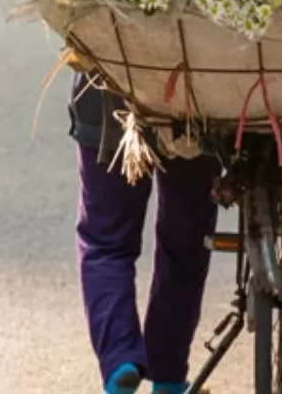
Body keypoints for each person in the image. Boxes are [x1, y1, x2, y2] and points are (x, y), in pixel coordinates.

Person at [70, 76, 216, 394]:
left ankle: (120, 359)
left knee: (105, 241)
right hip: (198, 98)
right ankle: (168, 376)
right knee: (185, 241)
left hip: (108, 97)